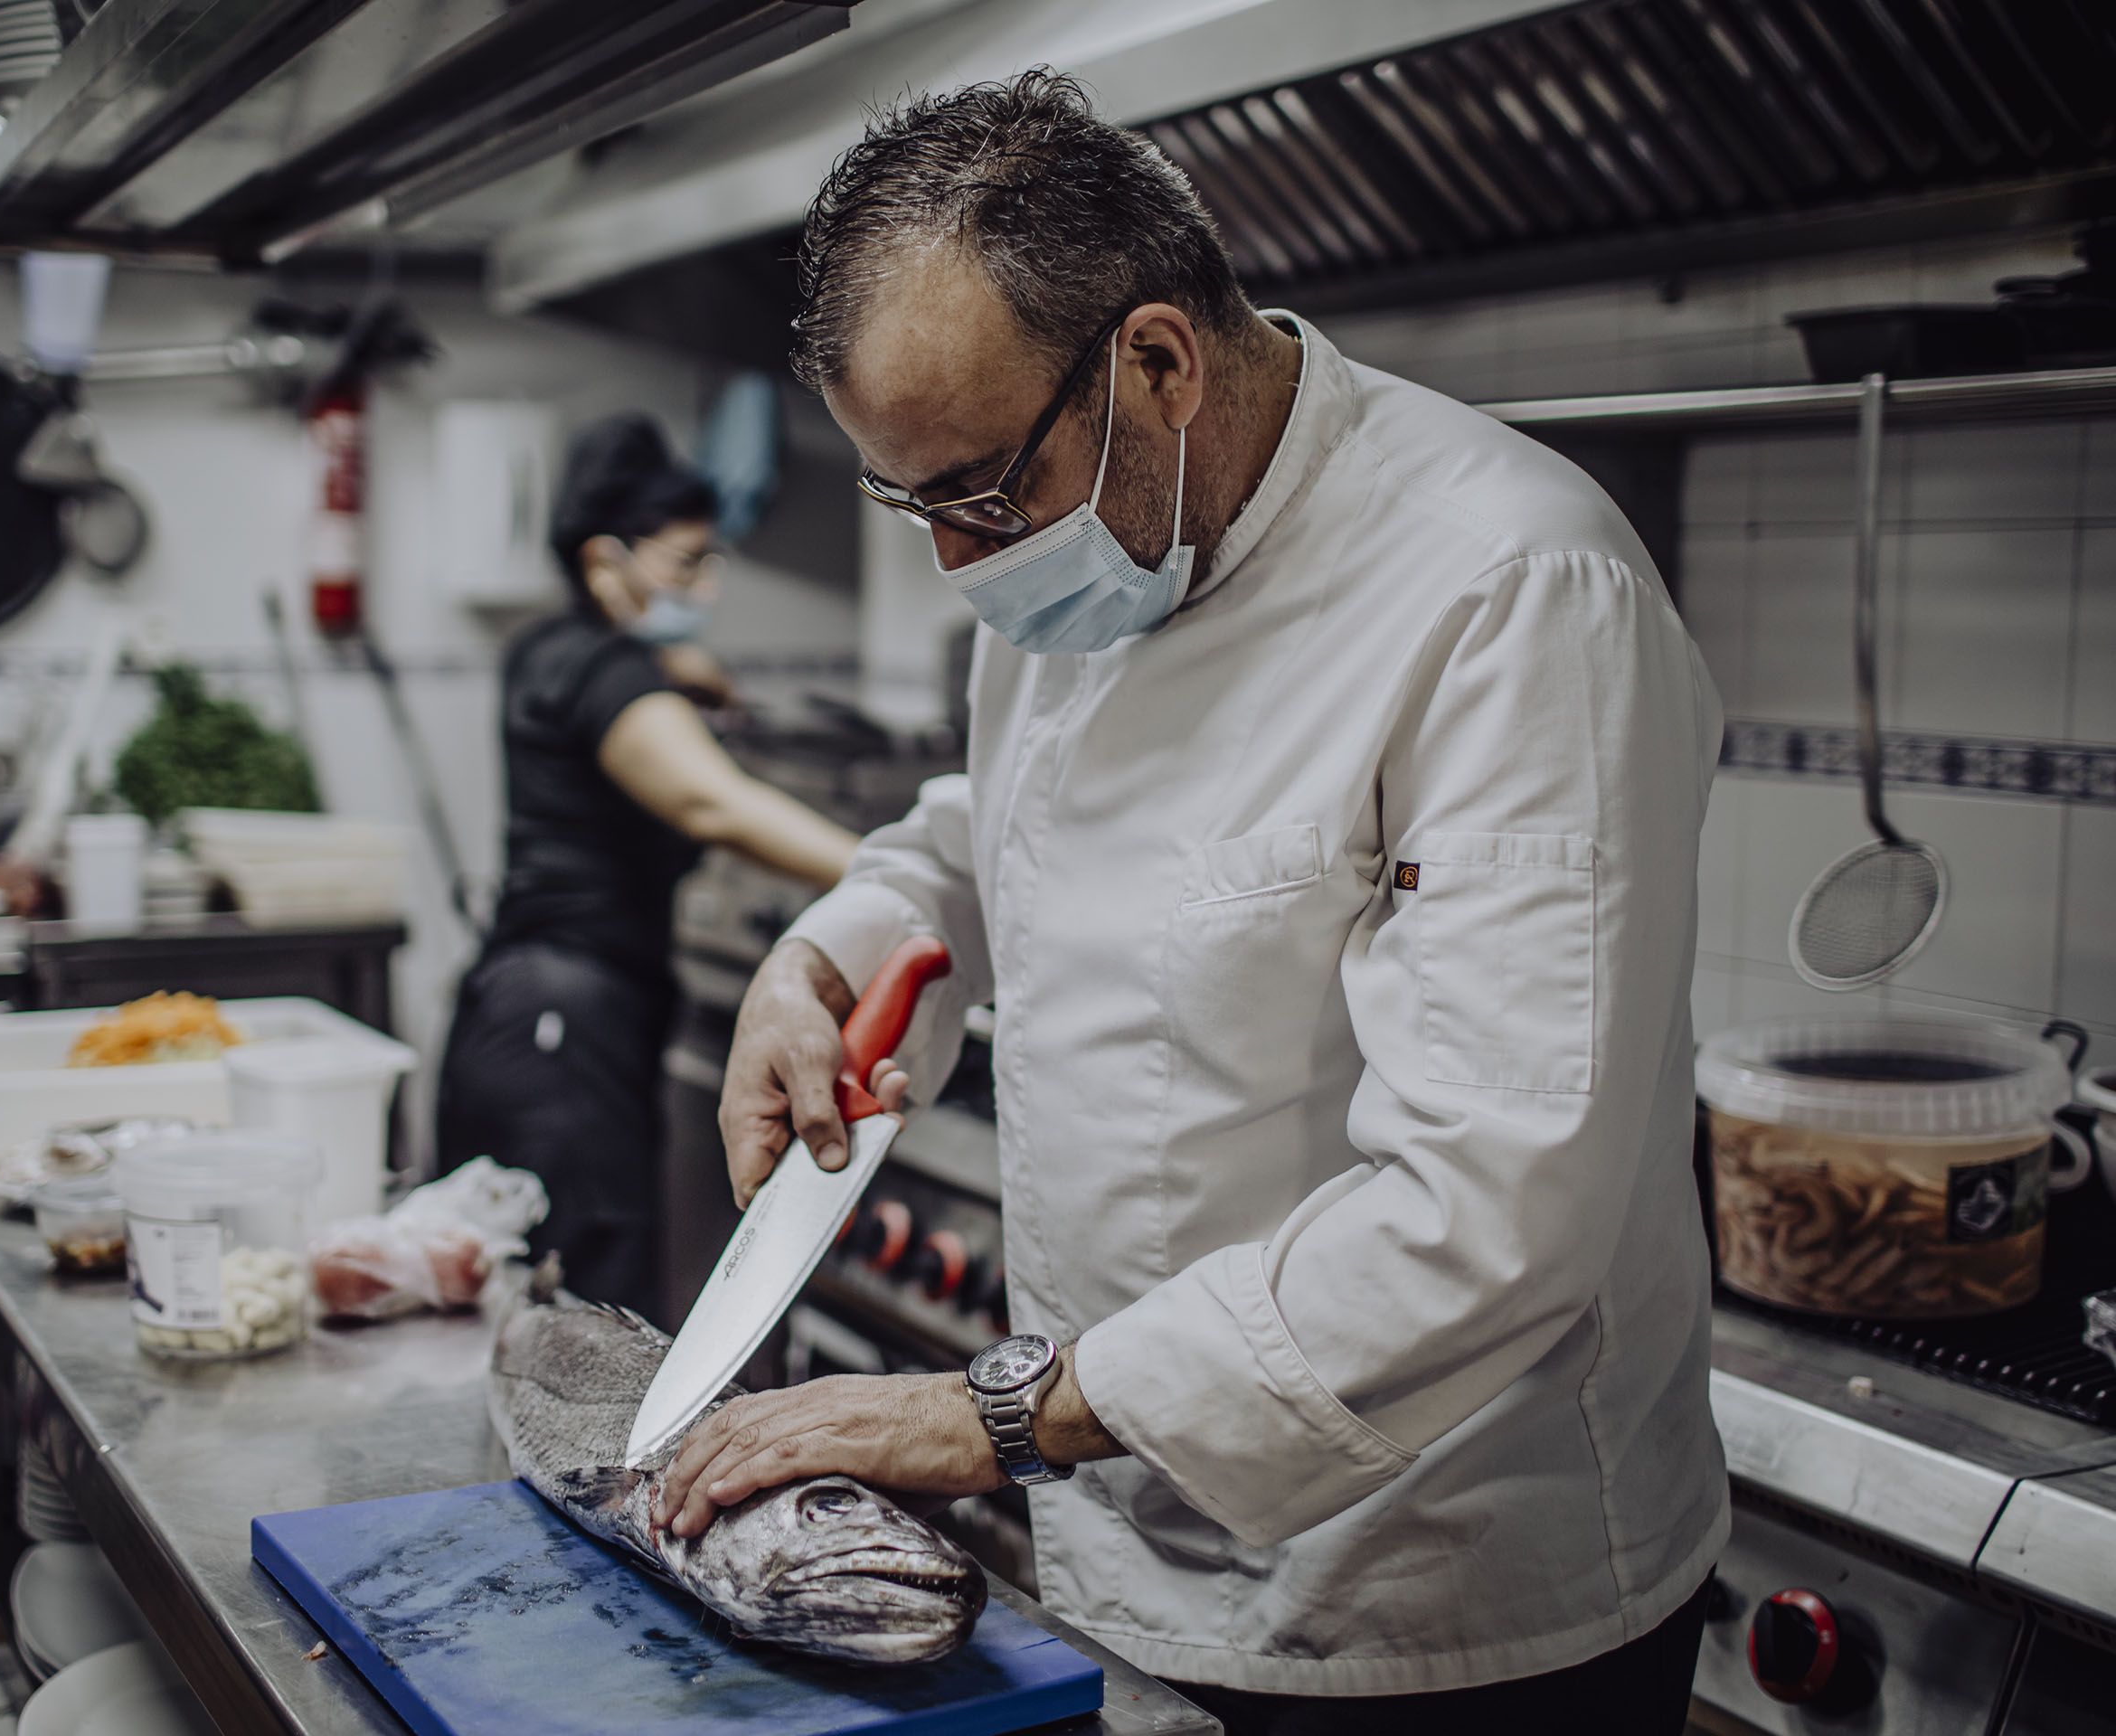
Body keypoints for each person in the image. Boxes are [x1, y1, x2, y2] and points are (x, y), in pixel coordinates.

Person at [657, 73, 1727, 1733]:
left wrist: (993, 1422)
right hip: (1124, 1536)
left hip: (1440, 1606)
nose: (960, 564)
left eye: (979, 492)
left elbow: (1492, 1205)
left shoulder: (1514, 590)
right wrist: (835, 948)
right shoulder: (1094, 552)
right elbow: (989, 837)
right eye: (913, 501)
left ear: (1157, 362)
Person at [436, 415, 857, 1318]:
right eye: (683, 564)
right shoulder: (605, 669)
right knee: (583, 1324)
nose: (702, 587)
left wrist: (678, 671)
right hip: (567, 1038)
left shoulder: (546, 652)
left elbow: (638, 686)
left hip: (514, 1016)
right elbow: (713, 803)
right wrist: (891, 871)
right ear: (604, 559)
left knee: (506, 1313)